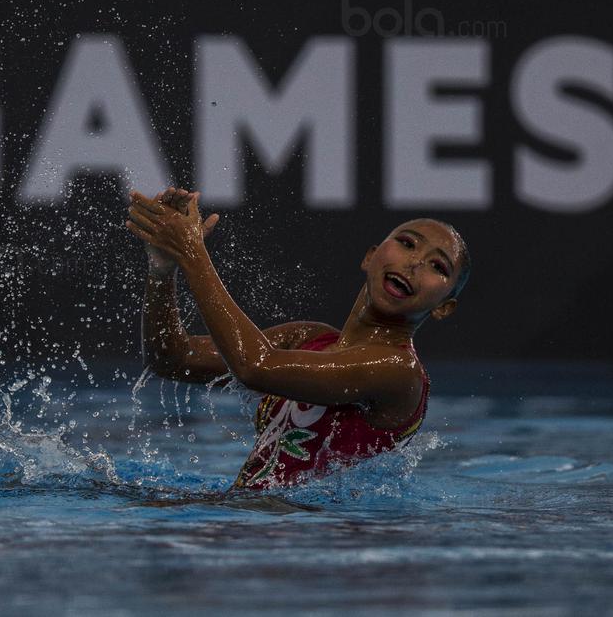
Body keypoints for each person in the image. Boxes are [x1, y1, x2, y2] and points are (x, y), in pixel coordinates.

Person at [125, 188, 469, 490]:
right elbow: (171, 359)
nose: (414, 264)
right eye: (407, 244)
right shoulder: (308, 338)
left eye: (437, 267)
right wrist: (163, 270)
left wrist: (192, 253)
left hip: (314, 540)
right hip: (262, 521)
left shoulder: (396, 369)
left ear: (444, 308)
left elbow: (253, 366)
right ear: (370, 257)